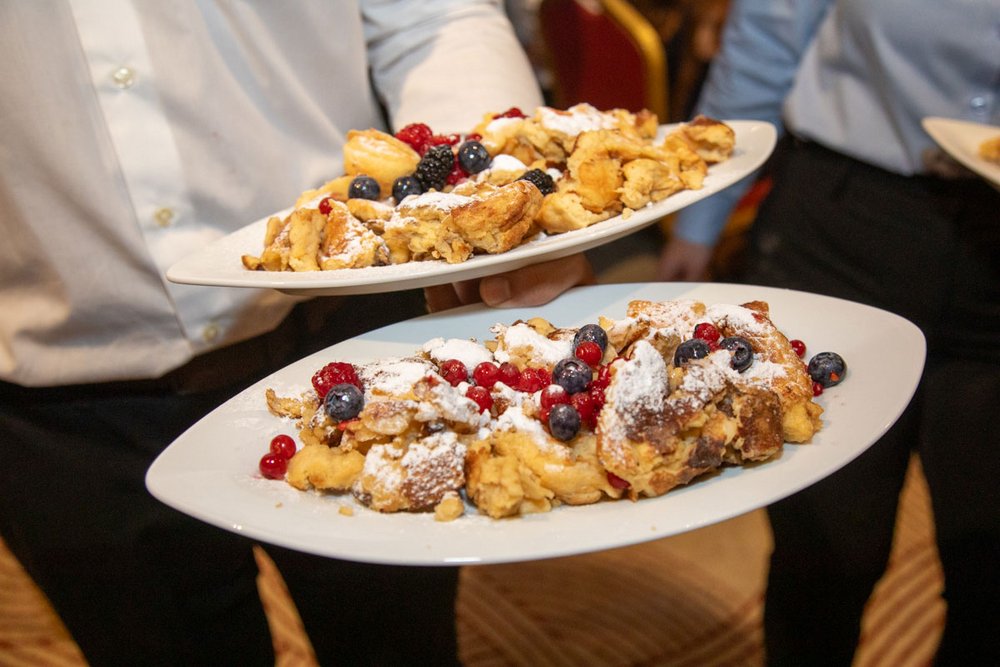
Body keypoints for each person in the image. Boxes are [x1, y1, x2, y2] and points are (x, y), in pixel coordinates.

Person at [0, 2, 591, 665]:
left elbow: (432, 17)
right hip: (58, 415)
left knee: (397, 645)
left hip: (353, 347)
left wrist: (493, 200)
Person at [656, 1, 1000, 664]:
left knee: (988, 563)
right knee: (829, 552)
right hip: (847, 225)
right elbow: (769, 33)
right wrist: (702, 216)